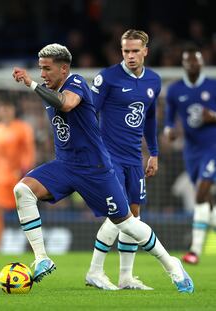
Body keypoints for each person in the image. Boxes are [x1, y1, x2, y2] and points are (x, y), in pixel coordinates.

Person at [12, 43, 193, 293]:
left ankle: (172, 266)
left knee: (127, 223)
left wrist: (32, 84)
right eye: (40, 69)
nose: (42, 74)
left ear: (63, 69)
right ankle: (42, 257)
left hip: (94, 169)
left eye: (47, 69)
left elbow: (65, 104)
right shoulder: (50, 88)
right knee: (22, 190)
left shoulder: (75, 83)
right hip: (65, 165)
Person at [85, 29, 160, 290]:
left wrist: (154, 152)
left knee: (134, 215)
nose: (130, 56)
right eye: (126, 51)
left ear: (145, 51)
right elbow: (88, 112)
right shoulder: (107, 78)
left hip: (134, 158)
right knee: (120, 215)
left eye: (135, 51)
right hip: (109, 157)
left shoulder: (153, 81)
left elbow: (149, 119)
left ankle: (125, 277)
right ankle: (94, 271)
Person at [164, 44, 216, 265]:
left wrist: (213, 117)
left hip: (212, 147)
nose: (193, 64)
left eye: (196, 60)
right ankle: (196, 248)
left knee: (200, 194)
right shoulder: (175, 90)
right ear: (183, 64)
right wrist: (170, 133)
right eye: (188, 61)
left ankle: (194, 250)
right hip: (191, 151)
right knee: (207, 202)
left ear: (201, 63)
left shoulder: (213, 86)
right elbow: (168, 121)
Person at [0, 100, 35, 252]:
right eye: (2, 109)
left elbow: (29, 151)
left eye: (7, 109)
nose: (5, 112)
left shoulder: (23, 128)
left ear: (13, 110)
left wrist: (26, 170)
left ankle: (33, 244)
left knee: (26, 210)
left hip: (18, 176)